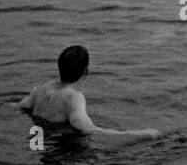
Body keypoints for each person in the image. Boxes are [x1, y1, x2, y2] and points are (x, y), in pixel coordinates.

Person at [18, 45, 161, 140]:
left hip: (39, 137)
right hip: (59, 144)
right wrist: (139, 134)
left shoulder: (43, 87)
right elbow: (88, 129)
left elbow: (21, 105)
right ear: (86, 70)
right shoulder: (73, 98)